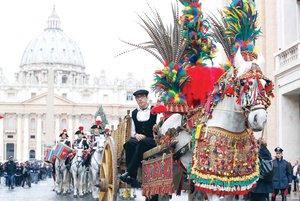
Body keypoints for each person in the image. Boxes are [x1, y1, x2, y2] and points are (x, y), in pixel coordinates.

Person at [120, 89, 158, 189]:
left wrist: (156, 128)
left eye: (141, 97)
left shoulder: (155, 111)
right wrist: (136, 135)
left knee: (142, 142)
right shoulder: (134, 113)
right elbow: (132, 131)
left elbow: (159, 127)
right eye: (137, 98)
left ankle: (129, 172)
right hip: (138, 139)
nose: (140, 99)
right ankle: (132, 177)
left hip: (151, 140)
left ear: (146, 98)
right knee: (128, 144)